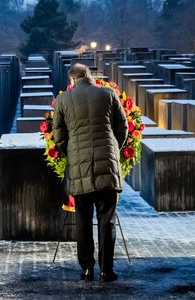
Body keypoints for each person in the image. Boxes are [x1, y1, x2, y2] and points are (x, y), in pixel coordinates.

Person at [52, 63, 128, 283]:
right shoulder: (108, 93)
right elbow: (122, 126)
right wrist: (113, 148)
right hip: (108, 165)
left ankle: (87, 268)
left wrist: (72, 153)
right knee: (107, 219)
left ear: (72, 80)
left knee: (83, 219)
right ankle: (107, 270)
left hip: (79, 164)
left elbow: (59, 134)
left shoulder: (64, 99)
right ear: (90, 77)